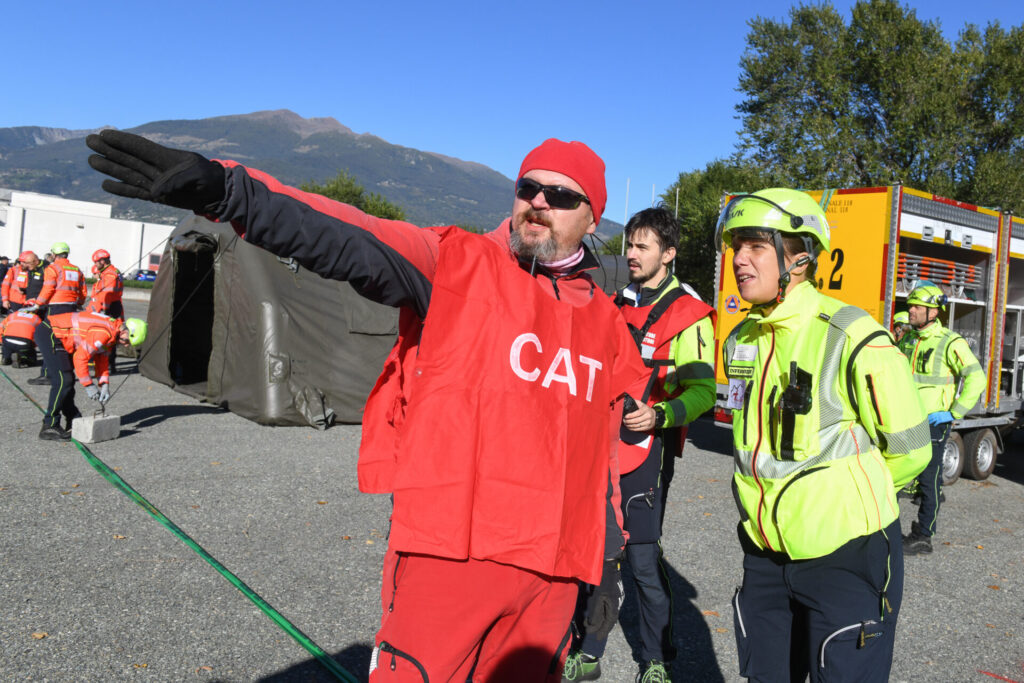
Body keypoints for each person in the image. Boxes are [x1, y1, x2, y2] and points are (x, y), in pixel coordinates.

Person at [86, 129, 648, 682]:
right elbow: (351, 234)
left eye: (563, 196)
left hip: (553, 577)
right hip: (453, 555)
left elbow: (606, 452)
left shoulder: (608, 325)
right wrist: (230, 193)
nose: (540, 203)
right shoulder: (457, 263)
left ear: (592, 217)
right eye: (529, 188)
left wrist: (608, 556)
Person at [717, 189, 930, 682]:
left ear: (799, 257)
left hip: (847, 552)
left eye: (754, 246)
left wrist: (844, 502)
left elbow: (911, 449)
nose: (739, 260)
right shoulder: (741, 340)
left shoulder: (851, 335)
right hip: (765, 554)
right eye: (735, 248)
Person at [563, 207, 715, 683]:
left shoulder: (690, 314)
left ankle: (655, 658)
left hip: (648, 453)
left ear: (668, 255)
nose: (631, 253)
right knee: (600, 552)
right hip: (599, 450)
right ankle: (589, 650)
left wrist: (661, 414)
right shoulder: (614, 302)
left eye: (642, 246)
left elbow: (704, 392)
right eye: (629, 244)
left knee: (643, 560)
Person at [898, 284, 986, 556]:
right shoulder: (909, 339)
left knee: (928, 480)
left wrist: (954, 412)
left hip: (933, 423)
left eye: (916, 306)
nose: (910, 309)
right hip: (905, 421)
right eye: (909, 305)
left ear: (933, 312)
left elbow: (977, 378)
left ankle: (923, 536)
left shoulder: (950, 342)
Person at [33, 312, 147, 440]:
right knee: (63, 380)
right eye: (127, 340)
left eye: (129, 344)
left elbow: (101, 359)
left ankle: (73, 418)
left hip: (58, 334)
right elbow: (80, 357)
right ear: (125, 330)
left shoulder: (113, 331)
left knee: (67, 381)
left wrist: (104, 384)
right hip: (50, 333)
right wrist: (88, 385)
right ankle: (49, 425)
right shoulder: (105, 333)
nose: (126, 344)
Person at [26, 243, 86, 386]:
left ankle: (48, 374)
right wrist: (79, 302)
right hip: (71, 308)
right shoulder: (76, 269)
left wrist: (38, 303)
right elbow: (82, 291)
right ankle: (65, 372)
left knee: (47, 339)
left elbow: (48, 288)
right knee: (64, 341)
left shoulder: (53, 268)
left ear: (54, 254)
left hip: (56, 309)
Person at [90, 249, 125, 373]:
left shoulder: (109, 274)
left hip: (109, 308)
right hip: (112, 306)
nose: (95, 265)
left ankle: (108, 365)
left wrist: (103, 311)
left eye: (96, 262)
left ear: (102, 261)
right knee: (109, 336)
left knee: (107, 336)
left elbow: (107, 295)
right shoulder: (111, 272)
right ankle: (108, 364)